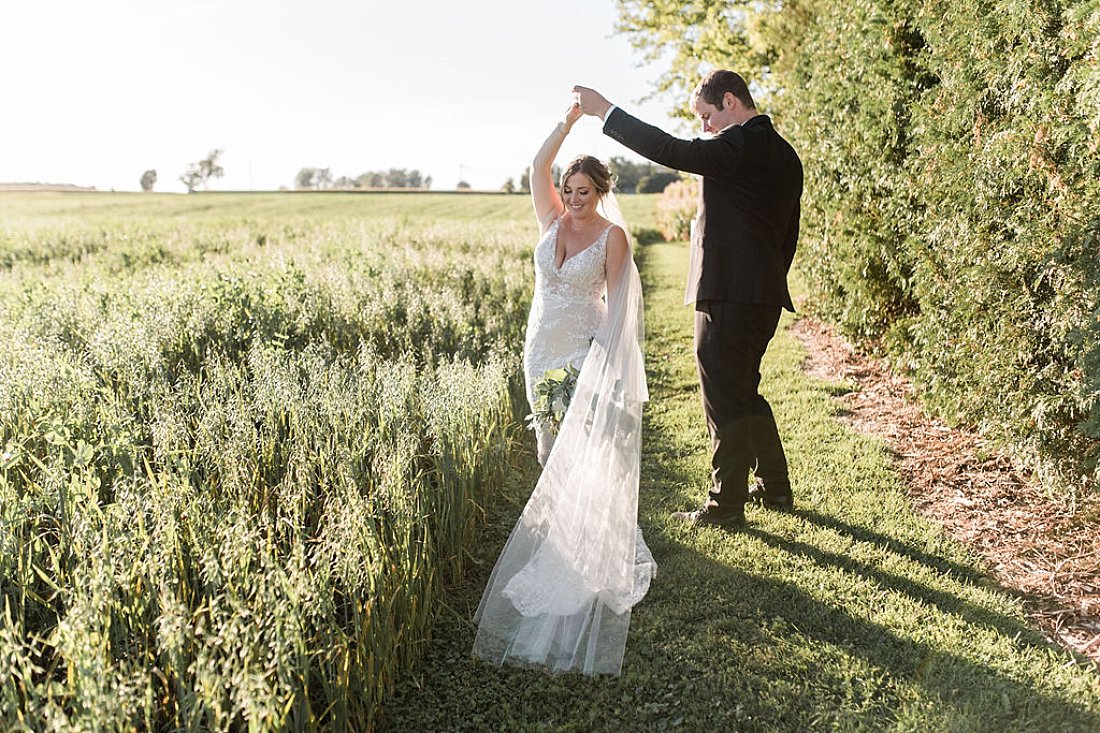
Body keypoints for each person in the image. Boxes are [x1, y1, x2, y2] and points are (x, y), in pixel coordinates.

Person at [472, 103, 657, 676]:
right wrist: (570, 118)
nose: (573, 199)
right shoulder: (550, 220)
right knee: (550, 453)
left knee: (582, 455)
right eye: (568, 190)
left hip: (582, 354)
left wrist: (606, 368)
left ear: (600, 191)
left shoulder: (612, 237)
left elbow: (620, 312)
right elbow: (535, 165)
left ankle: (587, 554)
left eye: (583, 192)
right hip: (539, 353)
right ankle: (564, 547)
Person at [574, 69, 802, 528]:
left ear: (732, 102)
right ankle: (774, 487)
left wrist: (605, 111)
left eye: (706, 116)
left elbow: (670, 150)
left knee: (723, 395)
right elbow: (786, 234)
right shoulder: (782, 152)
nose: (704, 128)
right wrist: (767, 280)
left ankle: (725, 506)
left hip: (731, 292)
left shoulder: (740, 146)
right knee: (742, 389)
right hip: (761, 293)